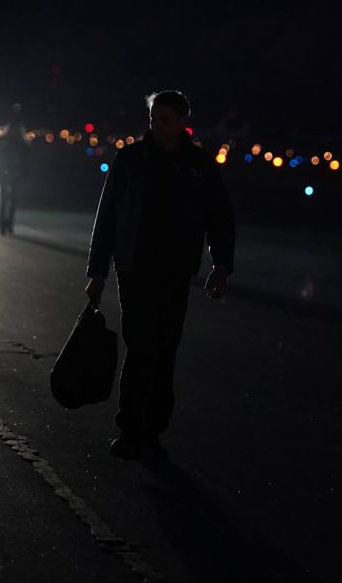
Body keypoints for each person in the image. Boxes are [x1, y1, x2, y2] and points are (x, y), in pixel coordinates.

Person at [84, 90, 235, 460]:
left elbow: (219, 217)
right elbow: (107, 217)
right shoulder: (131, 159)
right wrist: (97, 271)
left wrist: (221, 265)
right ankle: (131, 429)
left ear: (183, 121)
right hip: (134, 268)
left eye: (165, 119)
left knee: (165, 350)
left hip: (176, 270)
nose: (157, 124)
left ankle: (152, 430)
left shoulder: (199, 165)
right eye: (154, 117)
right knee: (139, 348)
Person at [0, 118, 30, 235]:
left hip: (15, 173)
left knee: (13, 200)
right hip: (3, 172)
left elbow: (26, 158)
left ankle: (9, 224)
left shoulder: (22, 143)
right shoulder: (3, 140)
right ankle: (3, 225)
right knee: (3, 199)